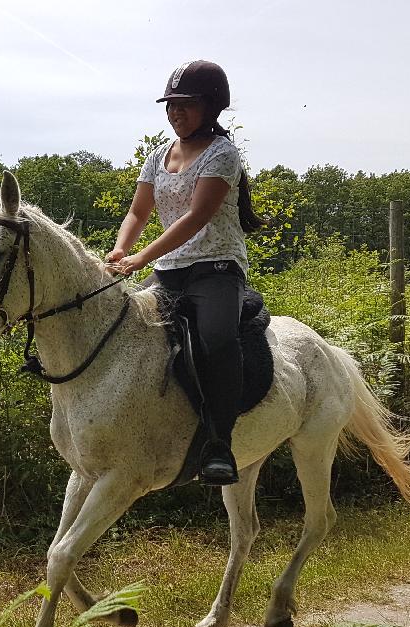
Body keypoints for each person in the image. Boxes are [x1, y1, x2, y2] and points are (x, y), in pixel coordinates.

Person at [105, 60, 264, 486]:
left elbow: (196, 217)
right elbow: (139, 211)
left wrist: (141, 258)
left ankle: (219, 445)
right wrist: (122, 247)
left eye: (185, 105)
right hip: (168, 270)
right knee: (122, 329)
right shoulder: (159, 155)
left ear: (211, 107)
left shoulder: (223, 154)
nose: (175, 113)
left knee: (216, 341)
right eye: (170, 106)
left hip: (216, 268)